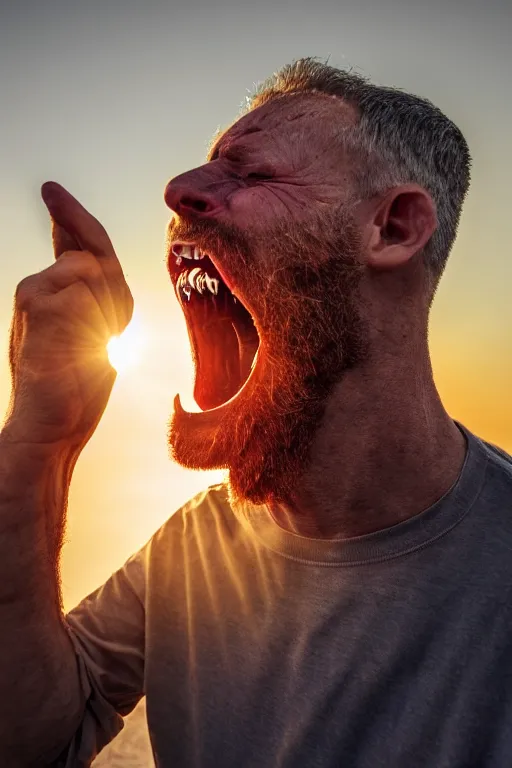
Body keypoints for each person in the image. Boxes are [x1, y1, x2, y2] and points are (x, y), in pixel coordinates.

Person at [1, 57, 511, 768]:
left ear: (395, 227)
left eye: (253, 175)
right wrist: (37, 449)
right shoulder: (194, 552)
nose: (178, 191)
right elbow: (30, 741)